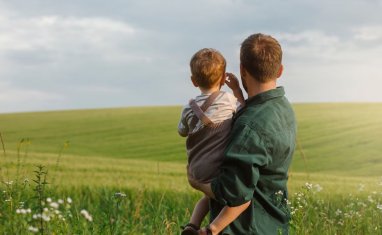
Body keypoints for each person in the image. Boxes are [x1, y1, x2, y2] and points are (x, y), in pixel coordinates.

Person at [188, 33, 297, 235]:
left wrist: (198, 183)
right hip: (274, 224)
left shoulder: (249, 125)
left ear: (242, 70)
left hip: (244, 228)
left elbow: (233, 193)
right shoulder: (284, 108)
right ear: (280, 70)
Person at [178, 48, 245, 235]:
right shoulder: (229, 100)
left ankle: (192, 225)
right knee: (241, 198)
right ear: (223, 78)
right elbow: (244, 110)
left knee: (209, 198)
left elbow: (181, 131)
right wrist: (237, 90)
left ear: (193, 81)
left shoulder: (188, 108)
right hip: (217, 167)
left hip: (196, 169)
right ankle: (210, 230)